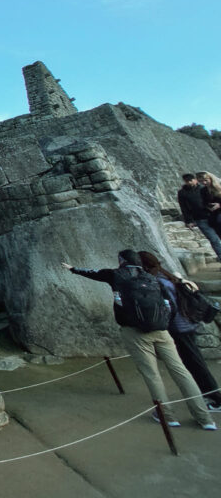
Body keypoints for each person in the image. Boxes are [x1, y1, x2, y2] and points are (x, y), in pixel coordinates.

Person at [61, 249, 217, 429]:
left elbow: (93, 273)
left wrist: (73, 269)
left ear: (121, 260)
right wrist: (163, 322)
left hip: (134, 331)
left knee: (152, 374)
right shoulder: (152, 278)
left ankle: (167, 416)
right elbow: (169, 305)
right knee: (181, 371)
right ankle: (205, 419)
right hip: (161, 330)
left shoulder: (116, 275)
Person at [138, 250, 221, 410]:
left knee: (195, 364)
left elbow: (170, 307)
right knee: (193, 362)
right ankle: (208, 394)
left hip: (180, 328)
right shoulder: (166, 276)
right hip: (186, 324)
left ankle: (216, 398)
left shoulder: (159, 282)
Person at [178, 173, 221, 261]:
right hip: (200, 218)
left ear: (195, 180)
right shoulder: (182, 193)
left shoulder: (204, 188)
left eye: (191, 180)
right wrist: (188, 220)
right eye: (187, 181)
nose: (189, 182)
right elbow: (184, 207)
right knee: (214, 239)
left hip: (213, 216)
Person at [196, 171, 221, 237]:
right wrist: (208, 206)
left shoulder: (219, 186)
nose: (204, 183)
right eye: (201, 181)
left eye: (206, 180)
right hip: (214, 216)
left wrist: (219, 205)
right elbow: (204, 202)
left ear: (211, 178)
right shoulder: (203, 190)